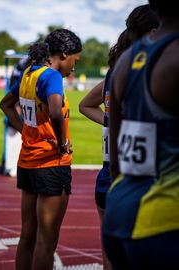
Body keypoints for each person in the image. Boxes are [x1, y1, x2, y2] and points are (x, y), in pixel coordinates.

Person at [79, 5, 159, 270]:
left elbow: (86, 105)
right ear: (154, 31)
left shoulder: (116, 71)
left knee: (109, 256)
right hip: (139, 177)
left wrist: (111, 123)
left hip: (108, 175)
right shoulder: (148, 71)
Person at [102, 1, 179, 269]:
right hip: (163, 222)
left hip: (119, 210)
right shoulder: (174, 57)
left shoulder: (125, 61)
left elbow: (115, 161)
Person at [0, 29, 82, 270]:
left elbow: (6, 104)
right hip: (51, 164)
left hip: (27, 162)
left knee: (27, 236)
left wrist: (25, 131)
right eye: (74, 61)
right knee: (47, 241)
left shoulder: (29, 73)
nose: (73, 69)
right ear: (64, 54)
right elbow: (56, 111)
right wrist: (62, 141)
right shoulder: (51, 76)